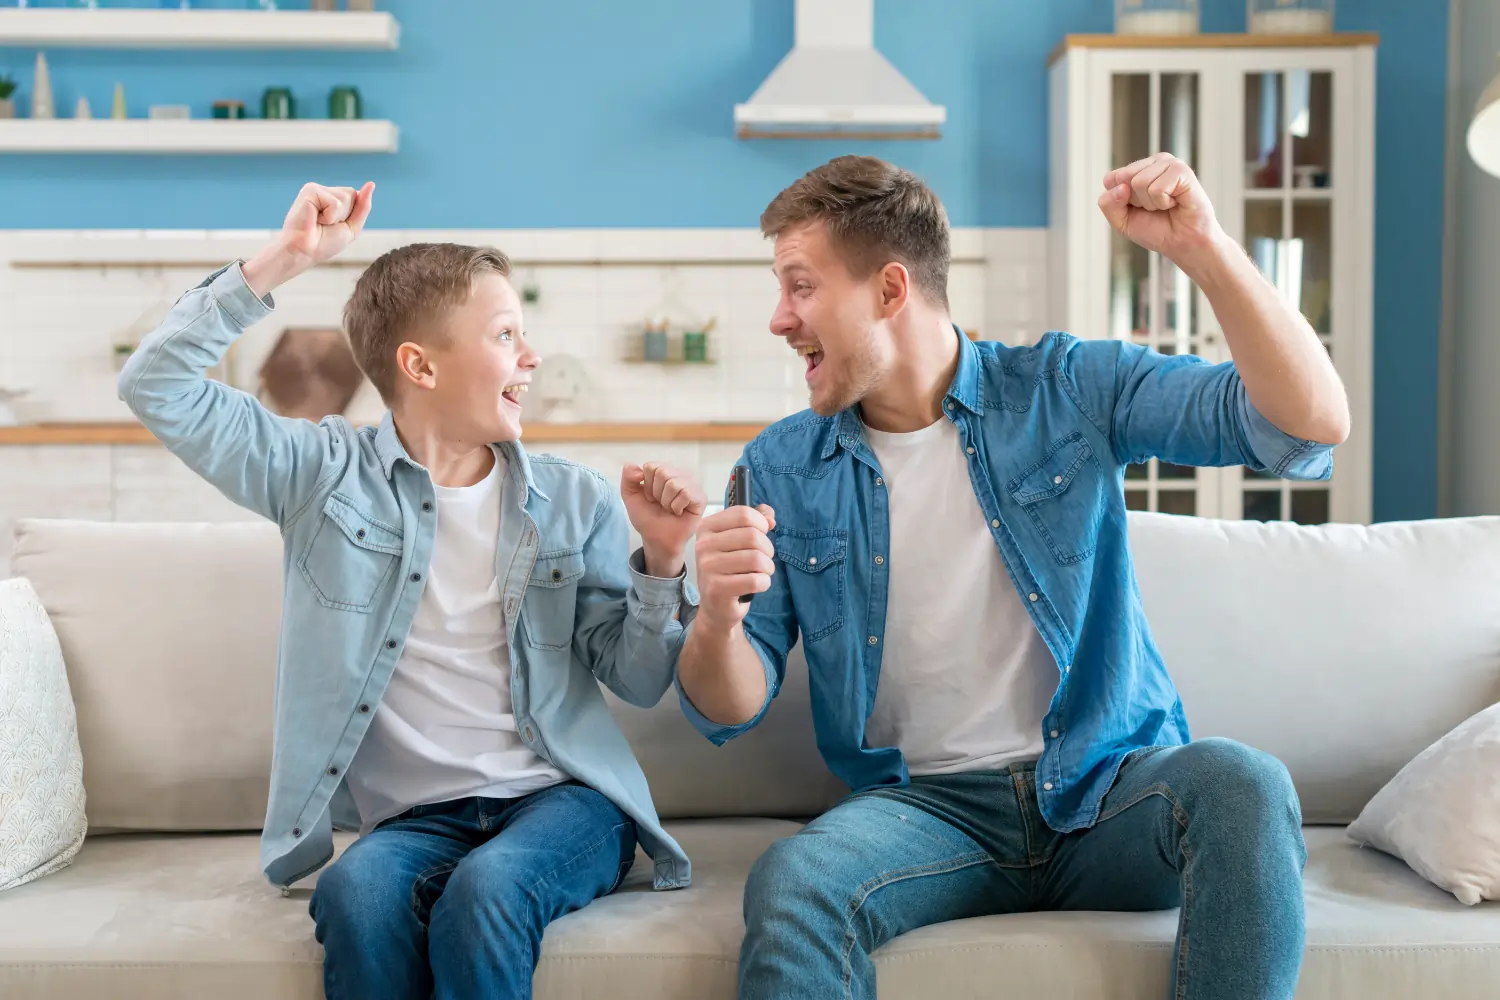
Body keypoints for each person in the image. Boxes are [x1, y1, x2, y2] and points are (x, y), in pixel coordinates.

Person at [677, 153, 1349, 1000]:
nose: (779, 319)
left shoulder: (1066, 388)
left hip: (1106, 792)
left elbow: (1307, 426)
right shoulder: (780, 465)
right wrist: (716, 619)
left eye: (800, 286)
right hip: (924, 814)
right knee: (796, 882)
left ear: (891, 290)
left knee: (1244, 784)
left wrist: (1205, 247)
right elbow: (729, 703)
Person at [117, 181, 707, 1000]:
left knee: (488, 891)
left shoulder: (574, 499)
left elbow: (640, 681)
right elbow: (155, 385)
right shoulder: (318, 476)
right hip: (413, 821)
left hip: (561, 805)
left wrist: (666, 561)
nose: (531, 359)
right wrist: (287, 257)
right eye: (506, 336)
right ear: (420, 364)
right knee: (352, 893)